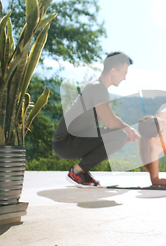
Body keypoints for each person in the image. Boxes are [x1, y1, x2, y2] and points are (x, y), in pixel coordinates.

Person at [52, 52, 140, 188]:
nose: (124, 78)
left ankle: (81, 171)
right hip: (65, 143)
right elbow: (110, 122)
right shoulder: (97, 87)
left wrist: (123, 131)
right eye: (124, 73)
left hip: (71, 140)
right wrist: (127, 129)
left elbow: (111, 122)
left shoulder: (98, 87)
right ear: (113, 71)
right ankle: (77, 172)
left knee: (119, 135)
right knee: (119, 135)